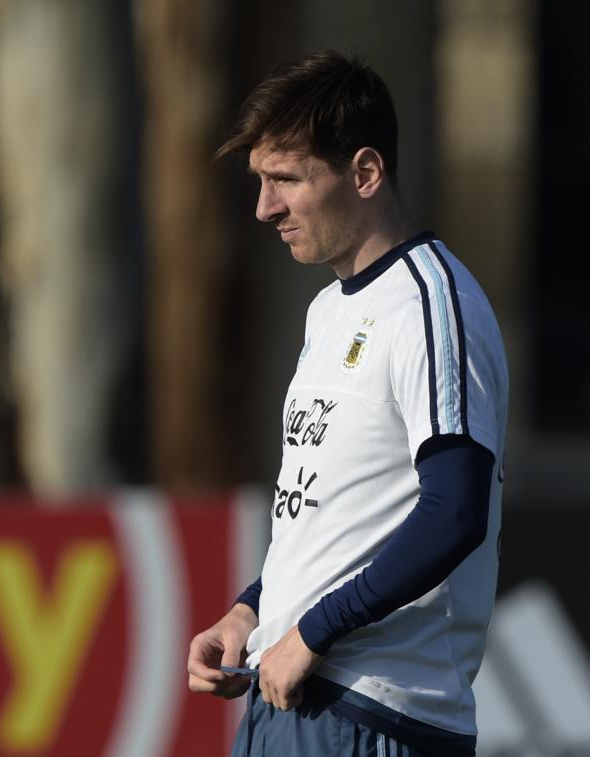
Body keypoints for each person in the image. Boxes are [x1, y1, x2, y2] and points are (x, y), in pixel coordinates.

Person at [187, 51, 508, 756]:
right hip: (288, 700)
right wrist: (252, 610)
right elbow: (333, 515)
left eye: (285, 180)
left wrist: (313, 630)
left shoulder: (431, 305)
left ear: (366, 173)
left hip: (375, 712)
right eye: (260, 181)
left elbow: (455, 510)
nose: (264, 207)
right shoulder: (328, 309)